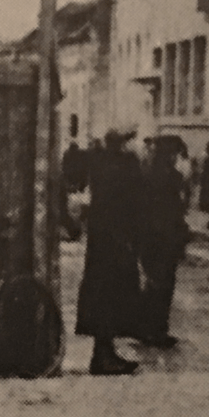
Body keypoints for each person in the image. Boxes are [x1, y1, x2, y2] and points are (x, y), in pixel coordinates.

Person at [76, 126, 146, 375]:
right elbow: (135, 201)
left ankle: (104, 352)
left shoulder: (101, 164)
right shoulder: (122, 167)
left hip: (103, 242)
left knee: (104, 298)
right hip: (116, 242)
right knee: (112, 298)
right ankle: (103, 357)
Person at [139, 135, 190, 349]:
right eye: (174, 153)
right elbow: (176, 208)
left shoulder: (150, 174)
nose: (176, 157)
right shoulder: (169, 177)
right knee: (162, 286)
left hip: (156, 239)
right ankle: (155, 330)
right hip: (163, 239)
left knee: (156, 286)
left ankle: (152, 329)